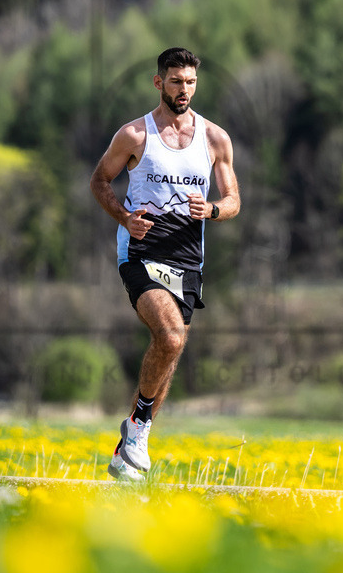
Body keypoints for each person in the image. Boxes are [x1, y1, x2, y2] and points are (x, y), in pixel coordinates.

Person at [90, 47, 241, 481]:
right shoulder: (135, 135)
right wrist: (124, 217)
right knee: (171, 338)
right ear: (159, 83)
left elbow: (233, 201)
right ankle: (137, 427)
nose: (184, 90)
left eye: (190, 82)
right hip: (140, 252)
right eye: (176, 82)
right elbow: (100, 180)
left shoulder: (215, 138)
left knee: (168, 353)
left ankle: (128, 449)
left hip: (188, 258)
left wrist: (211, 210)